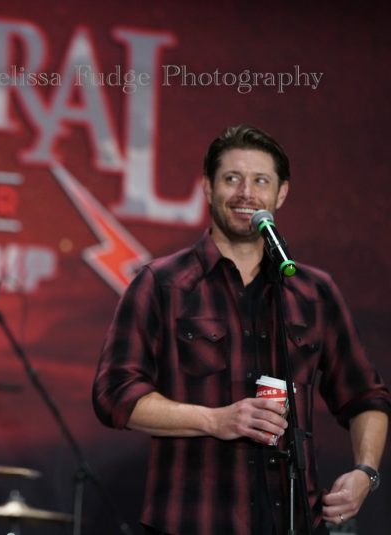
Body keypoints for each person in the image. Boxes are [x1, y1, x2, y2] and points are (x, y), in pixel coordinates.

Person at [92, 124, 390, 534]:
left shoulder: (314, 291)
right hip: (192, 521)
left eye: (260, 181)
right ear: (207, 188)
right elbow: (114, 394)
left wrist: (366, 472)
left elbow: (366, 396)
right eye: (232, 178)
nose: (246, 193)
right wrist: (214, 420)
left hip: (293, 521)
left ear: (281, 194)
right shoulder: (162, 283)